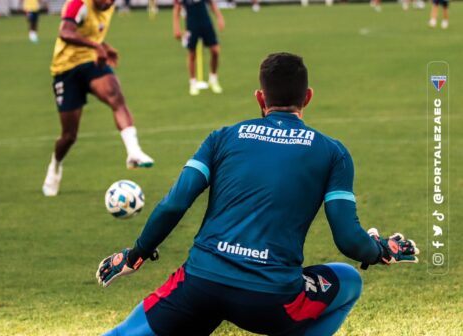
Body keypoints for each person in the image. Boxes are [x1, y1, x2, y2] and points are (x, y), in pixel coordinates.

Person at [96, 53, 420, 335]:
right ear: (307, 97)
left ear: (259, 98)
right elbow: (349, 239)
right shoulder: (333, 153)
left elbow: (174, 203)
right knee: (348, 281)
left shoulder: (221, 138)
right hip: (272, 299)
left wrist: (137, 253)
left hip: (201, 283)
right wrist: (378, 249)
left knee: (126, 332)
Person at [42, 0, 154, 197]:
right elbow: (65, 33)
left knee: (116, 96)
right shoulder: (78, 4)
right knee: (69, 136)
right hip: (65, 70)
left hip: (91, 62)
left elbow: (91, 32)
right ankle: (55, 165)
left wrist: (104, 46)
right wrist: (97, 45)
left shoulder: (108, 6)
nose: (109, 3)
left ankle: (133, 151)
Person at [173, 0, 225, 96]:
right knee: (192, 53)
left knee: (215, 51)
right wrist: (176, 28)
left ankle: (213, 79)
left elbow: (211, 2)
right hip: (191, 24)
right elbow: (177, 8)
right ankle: (193, 83)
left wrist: (219, 17)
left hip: (206, 21)